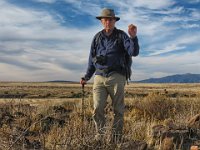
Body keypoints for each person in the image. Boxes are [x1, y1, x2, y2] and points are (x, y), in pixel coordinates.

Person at [80, 8, 139, 142]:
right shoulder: (97, 38)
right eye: (105, 19)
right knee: (97, 108)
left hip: (116, 76)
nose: (108, 22)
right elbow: (91, 59)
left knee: (118, 110)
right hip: (99, 77)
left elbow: (133, 52)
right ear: (101, 21)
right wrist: (86, 77)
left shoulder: (122, 35)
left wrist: (133, 37)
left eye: (110, 19)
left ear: (114, 21)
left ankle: (116, 139)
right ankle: (99, 138)